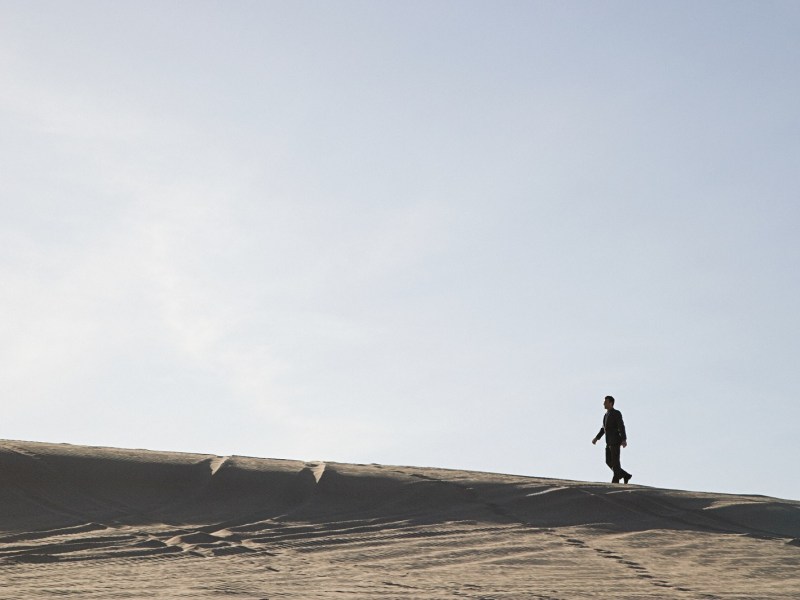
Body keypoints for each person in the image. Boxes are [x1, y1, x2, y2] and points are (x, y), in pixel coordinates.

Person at [592, 395, 632, 484]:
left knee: (615, 462)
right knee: (608, 461)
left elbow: (621, 426)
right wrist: (597, 438)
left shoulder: (616, 413)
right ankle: (625, 475)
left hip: (615, 441)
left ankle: (615, 482)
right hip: (608, 442)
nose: (604, 404)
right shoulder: (605, 415)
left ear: (611, 403)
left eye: (605, 402)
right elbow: (603, 428)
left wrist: (624, 439)